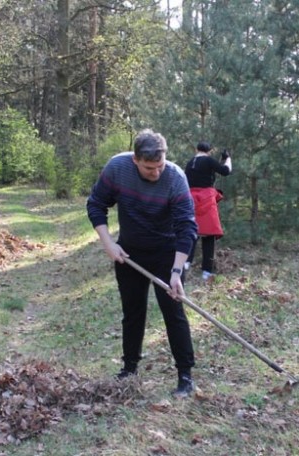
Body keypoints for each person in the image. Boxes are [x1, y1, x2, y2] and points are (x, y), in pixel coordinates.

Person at [86, 129, 198, 398]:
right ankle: (129, 369)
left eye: (160, 166)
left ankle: (185, 375)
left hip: (166, 253)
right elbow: (96, 204)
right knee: (133, 312)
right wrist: (108, 243)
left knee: (174, 313)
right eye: (149, 168)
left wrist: (176, 271)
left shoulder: (175, 177)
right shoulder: (117, 168)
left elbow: (187, 227)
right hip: (130, 253)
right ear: (136, 160)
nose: (156, 173)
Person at [184, 141, 232, 283]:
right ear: (210, 151)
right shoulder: (209, 160)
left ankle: (185, 265)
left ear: (196, 149)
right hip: (207, 200)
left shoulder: (190, 163)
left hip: (191, 200)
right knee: (209, 236)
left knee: (192, 233)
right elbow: (225, 171)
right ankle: (206, 272)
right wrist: (227, 158)